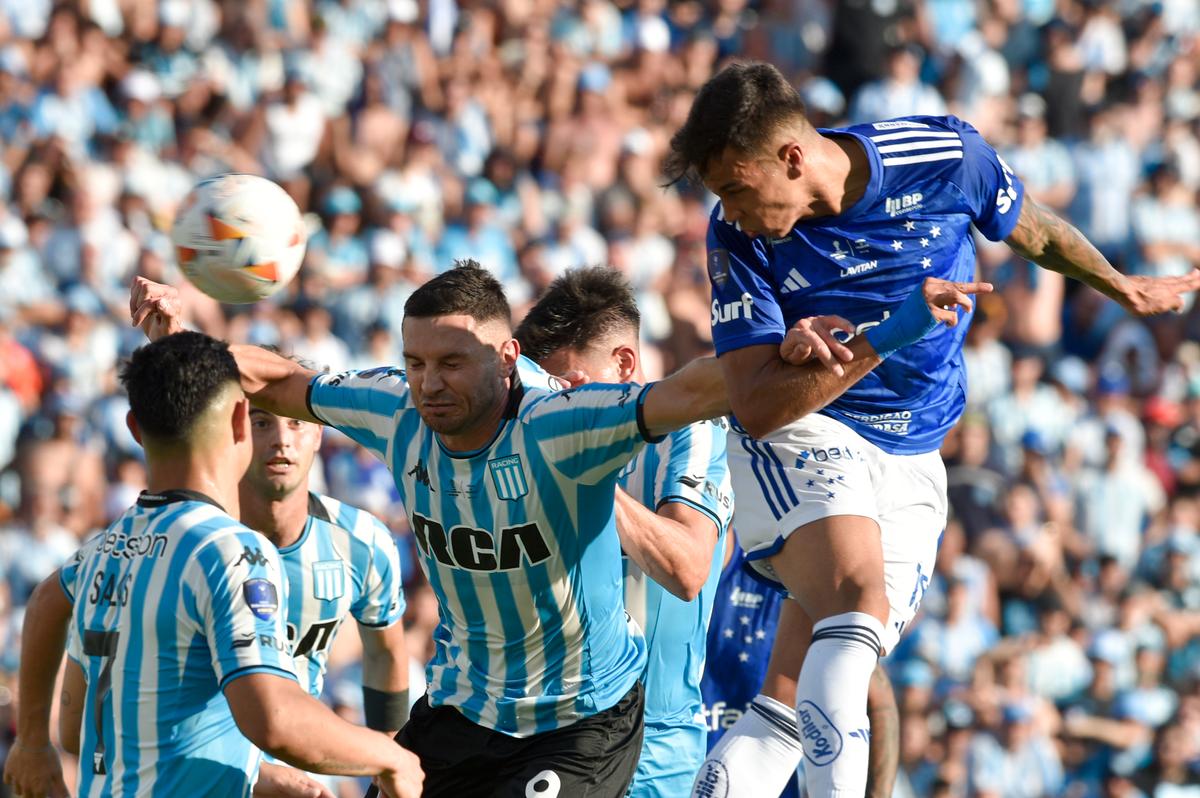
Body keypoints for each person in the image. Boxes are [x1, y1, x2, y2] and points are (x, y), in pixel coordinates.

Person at [129, 258, 976, 796]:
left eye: (450, 363)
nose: (427, 384)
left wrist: (880, 333)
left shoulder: (575, 431)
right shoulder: (395, 408)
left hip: (592, 731)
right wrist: (188, 345)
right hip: (467, 713)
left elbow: (708, 416)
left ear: (506, 365)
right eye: (417, 362)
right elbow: (281, 380)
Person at [664, 61, 1200, 798]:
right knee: (856, 600)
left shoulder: (948, 160)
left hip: (915, 451)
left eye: (736, 187)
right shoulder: (737, 234)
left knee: (790, 691)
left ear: (790, 157)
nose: (731, 209)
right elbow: (755, 403)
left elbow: (1035, 231)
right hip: (805, 425)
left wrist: (1123, 285)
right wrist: (890, 332)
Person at [2, 332, 423, 798]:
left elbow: (72, 714)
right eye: (263, 422)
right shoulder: (233, 550)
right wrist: (391, 756)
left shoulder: (106, 548)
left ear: (135, 429)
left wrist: (32, 742)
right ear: (241, 420)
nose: (281, 439)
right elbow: (276, 722)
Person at [514, 266, 734, 798]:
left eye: (566, 387)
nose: (553, 409)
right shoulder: (522, 445)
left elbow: (686, 567)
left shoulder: (690, 431)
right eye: (545, 393)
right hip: (551, 737)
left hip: (654, 750)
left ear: (624, 363)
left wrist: (578, 478)